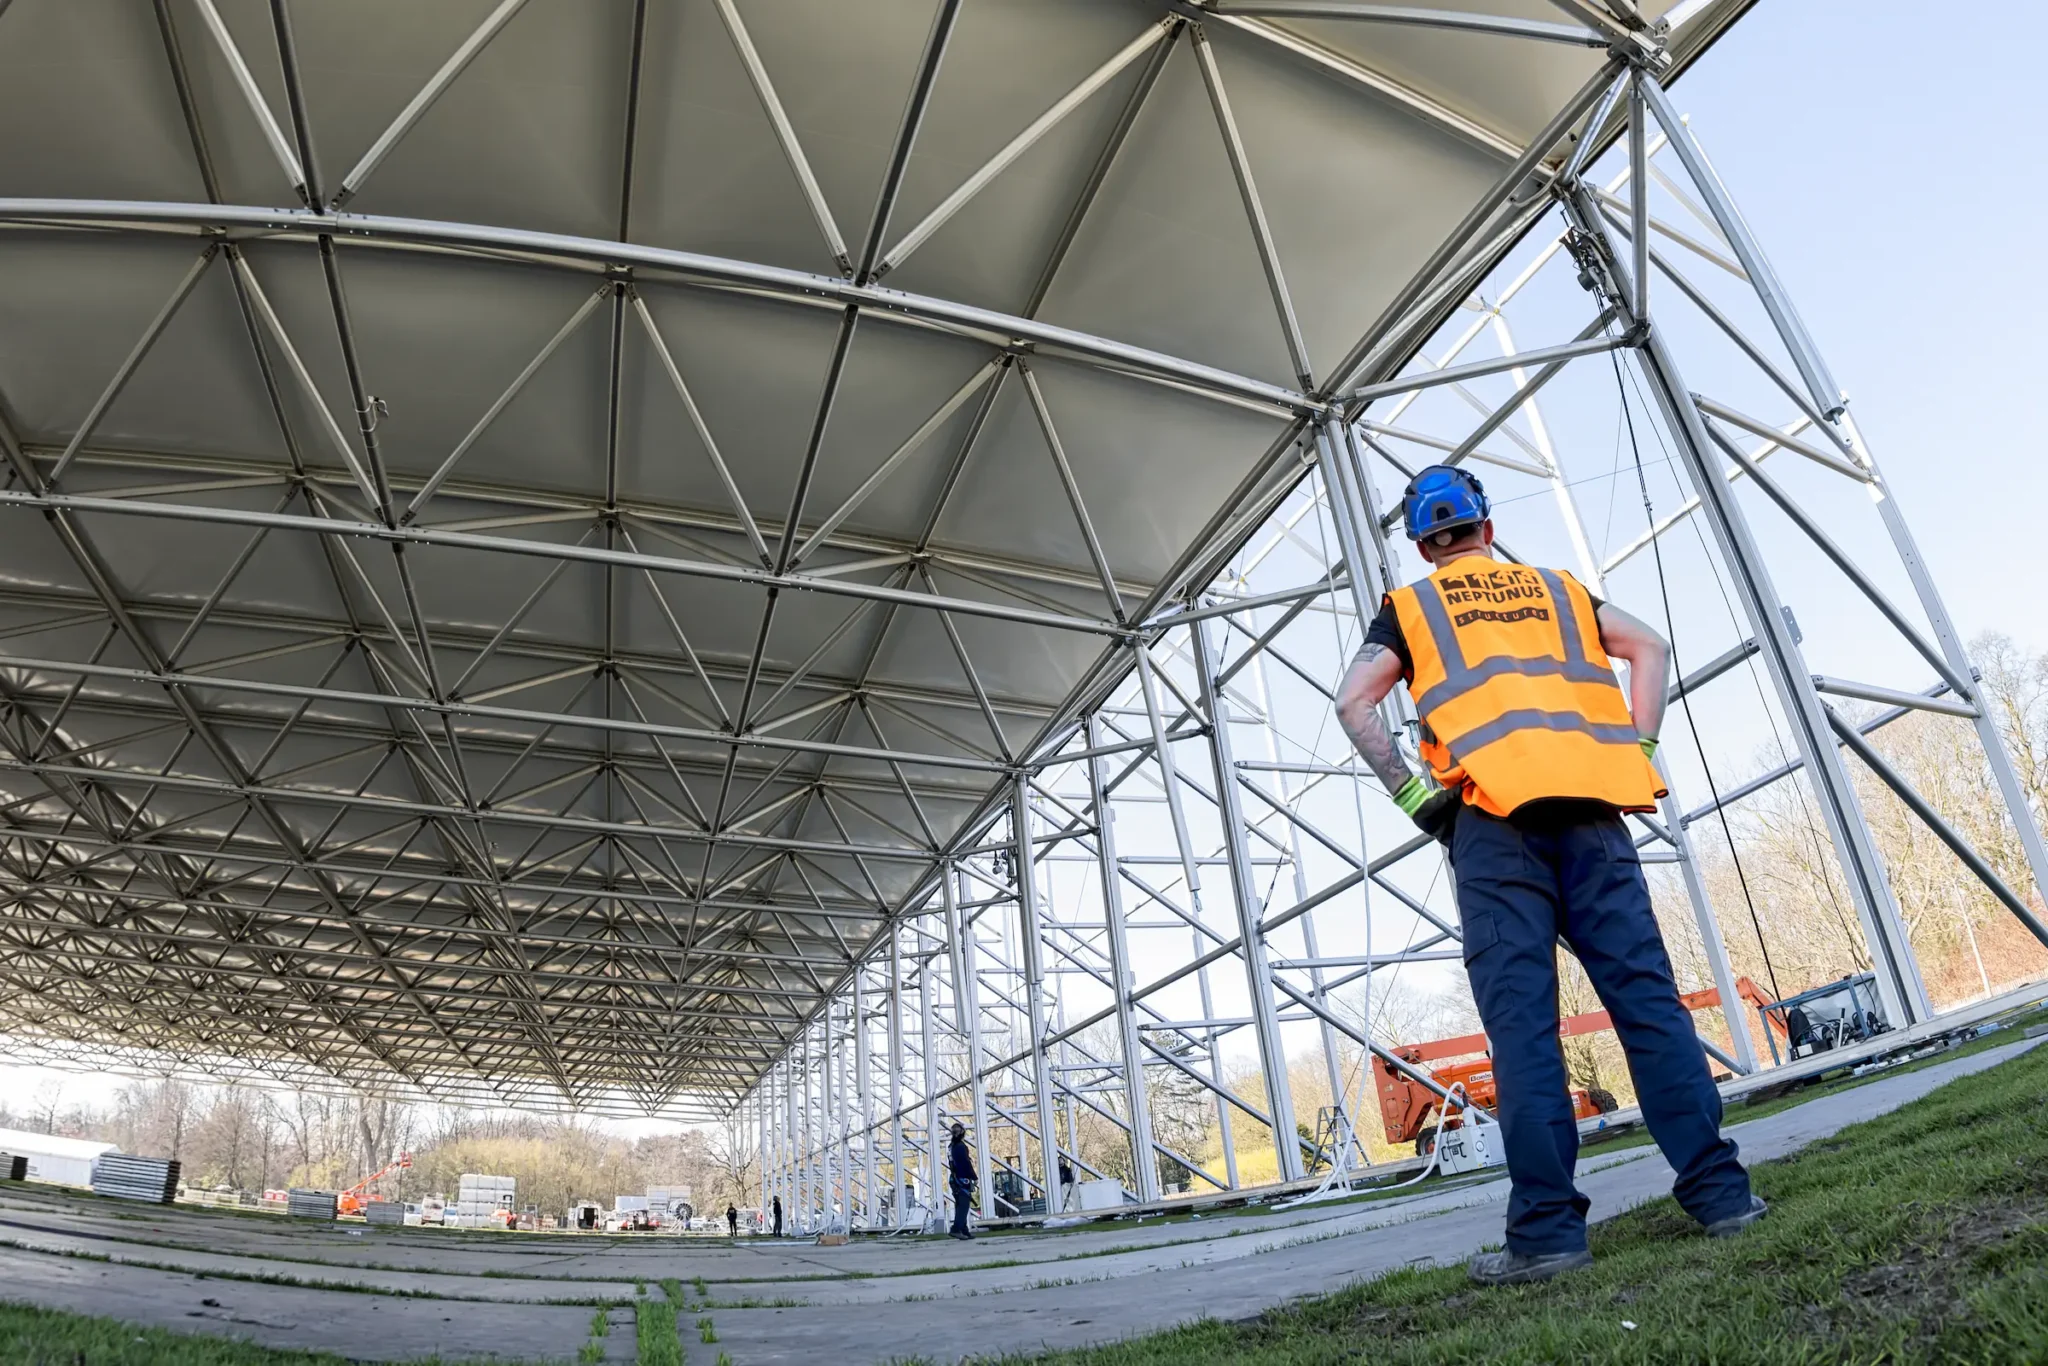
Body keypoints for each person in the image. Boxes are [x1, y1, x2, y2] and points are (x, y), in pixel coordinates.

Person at [1333, 464, 1767, 1287]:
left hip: (1495, 829)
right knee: (1648, 1006)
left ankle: (1548, 1237)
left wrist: (1422, 804)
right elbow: (1650, 646)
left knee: (1526, 1036)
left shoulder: (1412, 607)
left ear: (1426, 544)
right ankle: (1722, 1199)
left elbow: (1355, 701)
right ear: (1487, 528)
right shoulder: (1561, 590)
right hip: (1596, 818)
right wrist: (1636, 751)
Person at [947, 1121, 977, 1240]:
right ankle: (957, 1229)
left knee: (960, 1205)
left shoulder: (951, 1146)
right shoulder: (960, 1146)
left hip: (954, 1179)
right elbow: (965, 1163)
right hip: (961, 1179)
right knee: (963, 1206)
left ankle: (964, 1230)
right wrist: (974, 1177)